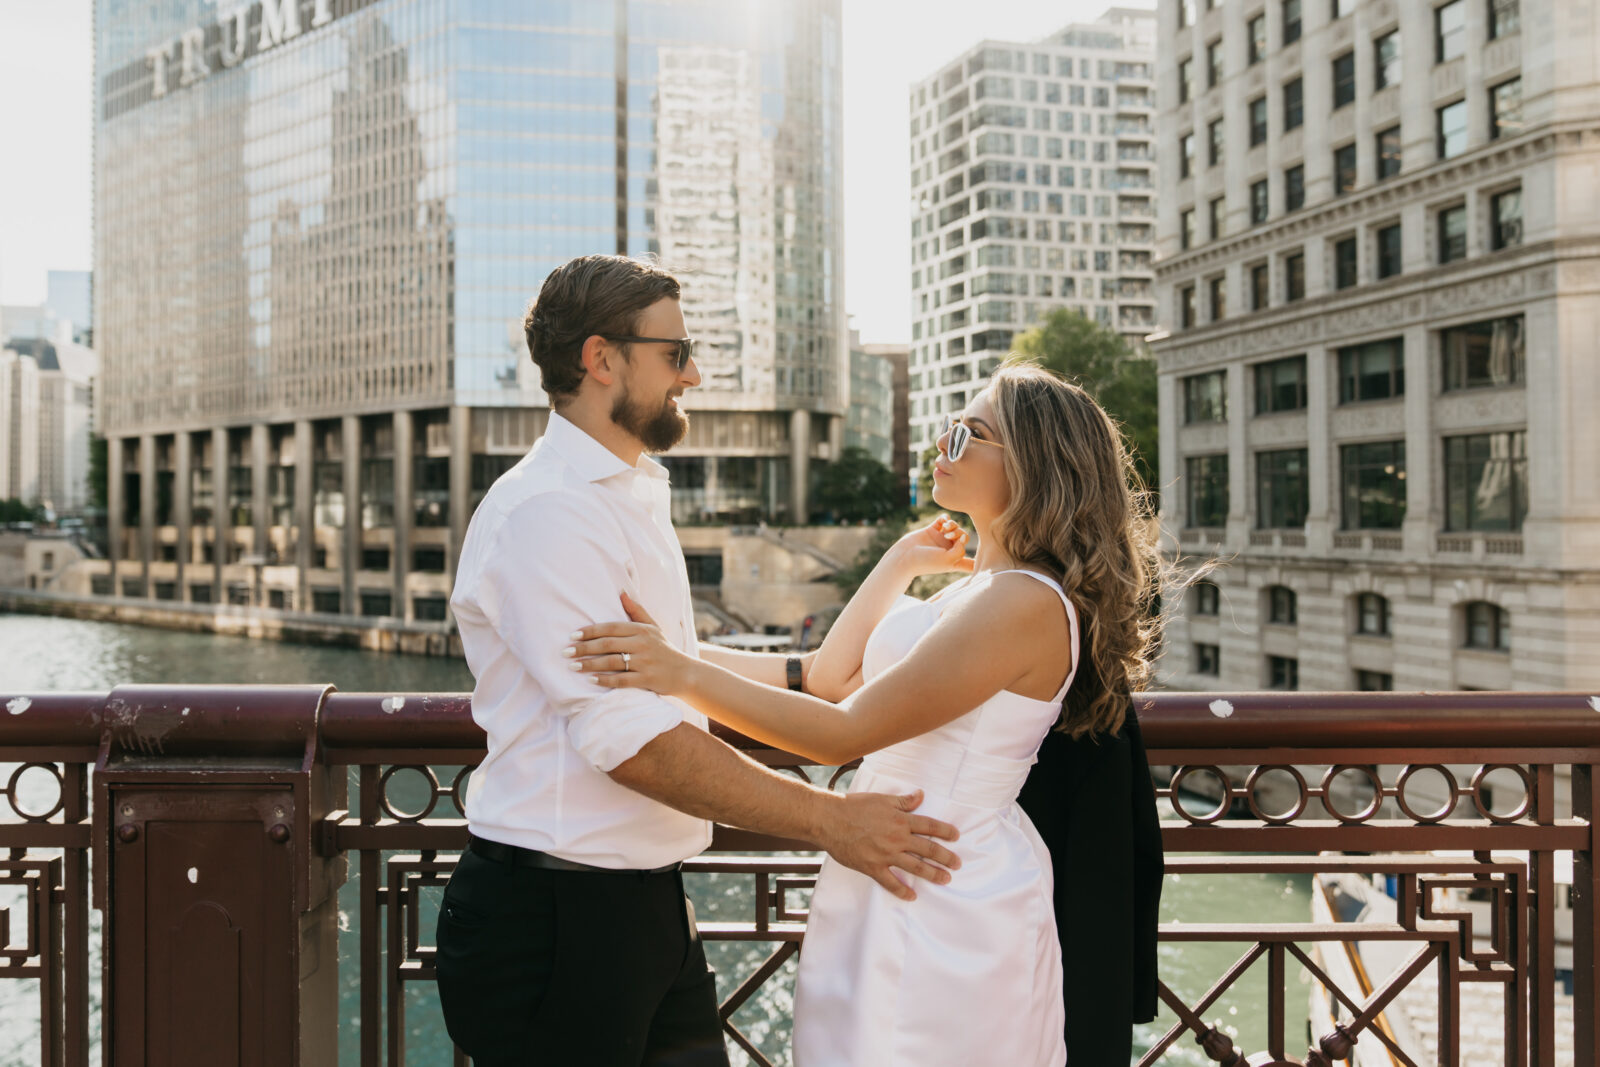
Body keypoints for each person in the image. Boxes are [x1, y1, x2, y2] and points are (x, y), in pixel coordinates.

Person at [436, 254, 962, 1067]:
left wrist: (801, 674)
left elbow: (667, 664)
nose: (694, 372)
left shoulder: (629, 492)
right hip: (552, 922)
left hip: (642, 906)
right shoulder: (547, 514)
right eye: (675, 352)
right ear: (601, 358)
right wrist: (833, 821)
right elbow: (633, 742)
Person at [568, 360, 1166, 1065]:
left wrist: (677, 671)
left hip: (945, 881)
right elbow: (830, 677)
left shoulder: (1025, 603)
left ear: (1035, 463)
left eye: (966, 435)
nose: (942, 447)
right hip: (891, 862)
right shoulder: (980, 592)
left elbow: (841, 732)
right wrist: (897, 564)